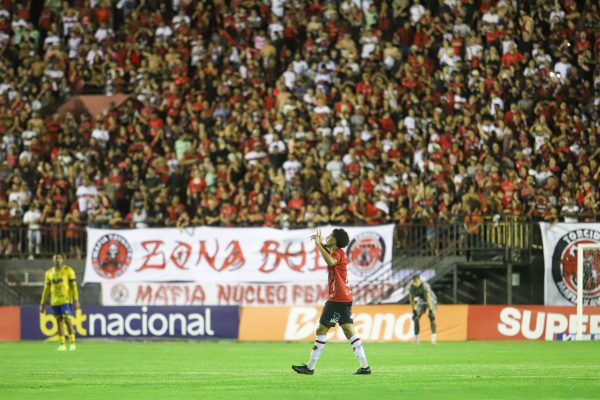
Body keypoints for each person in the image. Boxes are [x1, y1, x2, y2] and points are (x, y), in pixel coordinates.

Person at [292, 228, 371, 375]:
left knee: (321, 330)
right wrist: (320, 242)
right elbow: (327, 249)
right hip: (344, 298)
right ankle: (365, 366)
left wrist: (318, 244)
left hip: (337, 299)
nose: (328, 237)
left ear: (335, 240)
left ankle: (310, 367)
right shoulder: (338, 251)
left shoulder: (338, 253)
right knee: (349, 331)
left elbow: (330, 261)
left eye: (330, 236)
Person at [40, 254, 80, 351]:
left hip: (66, 300)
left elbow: (74, 286)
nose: (57, 260)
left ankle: (72, 343)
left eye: (59, 259)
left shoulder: (68, 271)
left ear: (63, 260)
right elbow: (46, 289)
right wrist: (42, 303)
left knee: (67, 320)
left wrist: (76, 300)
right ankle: (62, 344)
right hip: (54, 301)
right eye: (55, 259)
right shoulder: (49, 273)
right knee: (59, 322)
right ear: (53, 261)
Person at [409, 275, 437, 344]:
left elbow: (428, 298)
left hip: (431, 300)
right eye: (414, 282)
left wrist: (430, 310)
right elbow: (411, 300)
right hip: (421, 300)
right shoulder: (411, 287)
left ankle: (433, 338)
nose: (416, 284)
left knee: (432, 317)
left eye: (417, 282)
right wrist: (414, 311)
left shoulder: (425, 286)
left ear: (419, 280)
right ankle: (417, 338)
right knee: (415, 318)